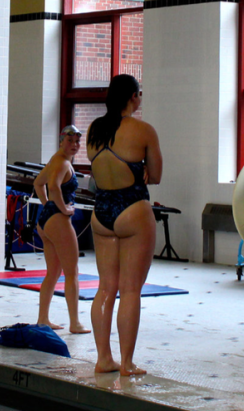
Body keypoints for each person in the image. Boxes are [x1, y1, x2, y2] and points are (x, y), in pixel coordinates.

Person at [86, 74, 162, 376]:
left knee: (105, 288)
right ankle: (127, 363)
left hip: (101, 211)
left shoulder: (94, 129)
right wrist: (142, 167)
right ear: (133, 96)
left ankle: (103, 358)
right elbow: (155, 176)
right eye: (139, 94)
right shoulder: (143, 130)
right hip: (132, 209)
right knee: (130, 291)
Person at [33, 125, 90, 334]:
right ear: (60, 141)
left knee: (54, 272)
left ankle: (43, 319)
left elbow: (38, 183)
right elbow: (54, 186)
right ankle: (75, 323)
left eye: (77, 141)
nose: (74, 145)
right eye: (70, 141)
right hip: (58, 221)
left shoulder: (55, 160)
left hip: (46, 221)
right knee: (72, 271)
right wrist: (63, 208)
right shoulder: (62, 161)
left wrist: (47, 204)